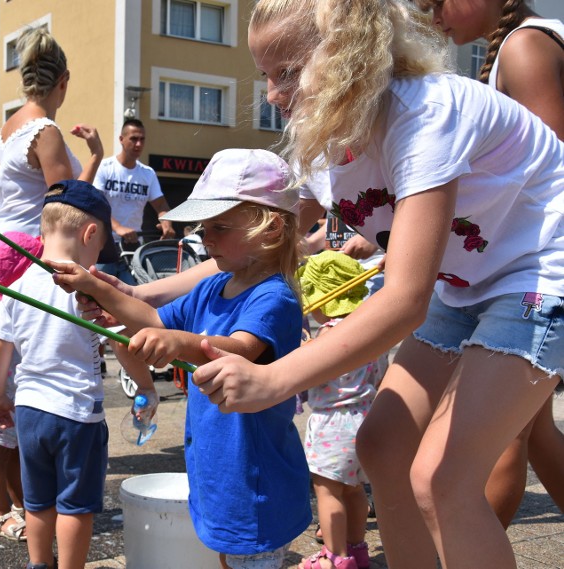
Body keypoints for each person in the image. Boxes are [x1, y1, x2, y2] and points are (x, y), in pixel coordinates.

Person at [183, 1, 564, 568]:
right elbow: (254, 232)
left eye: (286, 72)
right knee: (383, 447)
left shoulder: (425, 113)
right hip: (465, 285)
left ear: (343, 57)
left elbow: (405, 300)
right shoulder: (334, 139)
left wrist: (271, 380)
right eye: (266, 74)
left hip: (541, 271)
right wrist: (134, 297)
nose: (271, 94)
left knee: (443, 476)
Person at [50, 149, 311, 569]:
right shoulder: (214, 287)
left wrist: (176, 342)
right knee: (229, 557)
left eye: (220, 227)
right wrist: (98, 289)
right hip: (222, 474)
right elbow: (151, 317)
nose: (206, 239)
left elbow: (242, 350)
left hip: (254, 479)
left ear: (271, 227)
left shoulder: (273, 296)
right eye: (204, 228)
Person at [419, 0, 564, 528]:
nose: (430, 15)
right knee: (535, 428)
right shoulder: (516, 46)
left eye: (435, 2)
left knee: (498, 438)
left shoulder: (525, 45)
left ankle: (468, 551)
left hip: (536, 270)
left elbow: (547, 172)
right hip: (522, 265)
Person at [0, 180, 158, 569]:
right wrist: (146, 387)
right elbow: (122, 343)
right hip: (76, 414)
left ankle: (38, 564)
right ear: (90, 233)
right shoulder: (90, 290)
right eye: (99, 248)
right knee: (76, 506)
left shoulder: (18, 287)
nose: (98, 257)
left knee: (39, 501)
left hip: (29, 413)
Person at [297, 251, 386, 569]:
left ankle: (334, 558)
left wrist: (305, 350)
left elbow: (313, 371)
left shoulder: (330, 333)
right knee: (354, 489)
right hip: (364, 417)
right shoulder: (368, 329)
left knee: (327, 490)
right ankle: (357, 550)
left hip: (333, 421)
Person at [0, 26, 103, 239]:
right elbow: (67, 206)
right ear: (63, 81)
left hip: (4, 241)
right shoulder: (44, 131)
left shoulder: (9, 125)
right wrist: (96, 155)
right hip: (32, 248)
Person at [0, 232, 43, 542]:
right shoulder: (8, 309)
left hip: (14, 397)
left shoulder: (26, 304)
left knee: (16, 456)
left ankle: (20, 507)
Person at [93, 118, 175, 284]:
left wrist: (167, 223)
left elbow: (161, 205)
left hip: (133, 248)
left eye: (142, 139)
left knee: (134, 297)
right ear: (121, 139)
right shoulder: (105, 167)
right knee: (97, 297)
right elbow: (96, 203)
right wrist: (117, 227)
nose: (138, 144)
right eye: (133, 139)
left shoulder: (148, 173)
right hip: (103, 246)